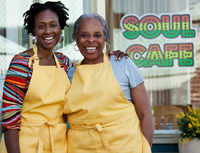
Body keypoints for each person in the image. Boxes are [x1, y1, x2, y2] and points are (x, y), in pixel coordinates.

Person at [0, 2, 127, 153]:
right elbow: (9, 118)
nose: (48, 31)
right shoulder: (21, 63)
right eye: (41, 26)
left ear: (60, 28)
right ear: (33, 30)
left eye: (53, 25)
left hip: (59, 145)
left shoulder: (64, 62)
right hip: (25, 145)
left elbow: (89, 73)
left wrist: (110, 55)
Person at [64, 13, 154, 153]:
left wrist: (146, 149)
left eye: (97, 35)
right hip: (79, 148)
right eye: (84, 35)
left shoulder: (122, 64)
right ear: (76, 39)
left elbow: (145, 114)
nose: (91, 40)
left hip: (125, 147)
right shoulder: (69, 74)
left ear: (105, 38)